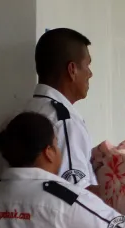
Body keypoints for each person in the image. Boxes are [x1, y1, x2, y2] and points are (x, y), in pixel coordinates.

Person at [25, 28, 97, 188]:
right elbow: (75, 193)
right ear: (72, 70)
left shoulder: (26, 110)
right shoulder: (64, 121)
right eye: (87, 65)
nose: (90, 74)